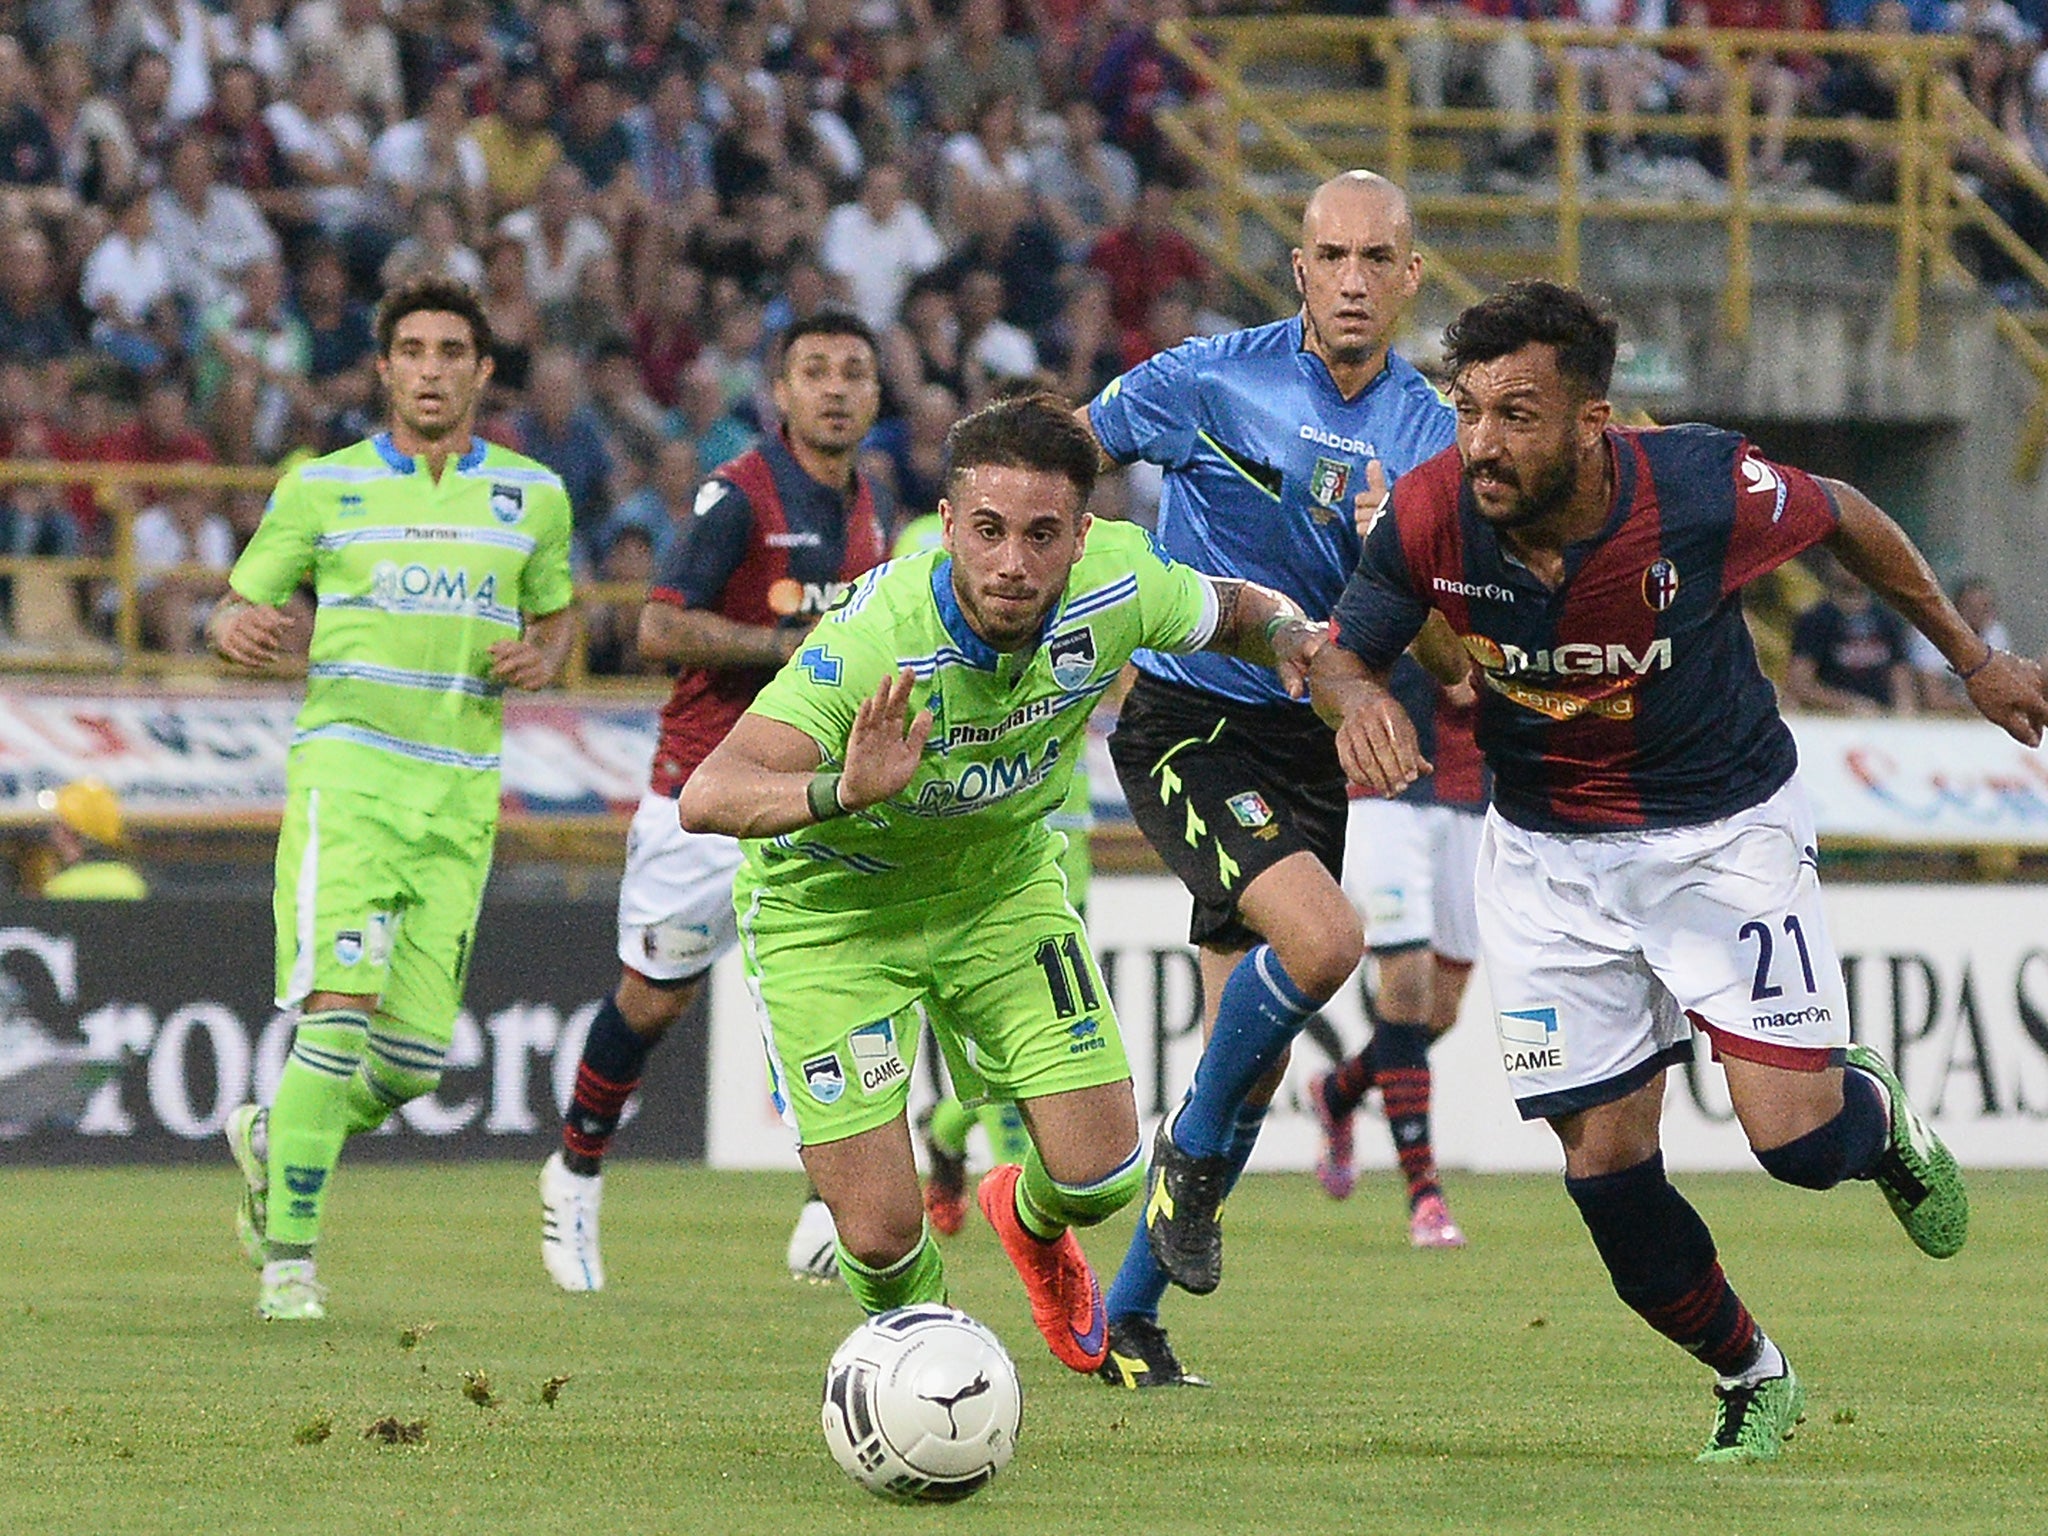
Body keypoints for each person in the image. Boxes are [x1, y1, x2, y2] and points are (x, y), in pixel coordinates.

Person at [1313, 279, 2048, 1462]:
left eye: (1515, 414)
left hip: (1719, 835)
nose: (1483, 444)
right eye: (1466, 412)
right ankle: (1749, 1375)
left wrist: (1971, 658)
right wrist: (1351, 703)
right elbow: (1343, 653)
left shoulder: (1698, 488)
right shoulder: (1428, 514)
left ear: (1591, 421)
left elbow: (1846, 512)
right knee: (1601, 1167)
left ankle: (1876, 1121)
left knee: (1799, 1148)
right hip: (1546, 860)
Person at [675, 392, 1327, 1374]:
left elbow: (1232, 610)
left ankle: (1025, 1224)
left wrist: (1287, 636)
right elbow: (709, 792)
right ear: (947, 527)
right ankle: (926, 1371)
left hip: (996, 890)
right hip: (834, 911)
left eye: (1039, 535)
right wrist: (840, 787)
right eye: (986, 531)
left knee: (1105, 1174)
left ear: (1080, 537)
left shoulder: (1121, 582)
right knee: (884, 1232)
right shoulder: (875, 640)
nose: (1011, 563)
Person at [1077, 170, 1460, 1391]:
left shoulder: (1433, 436)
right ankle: (1183, 1175)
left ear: (1409, 278)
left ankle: (1127, 1325)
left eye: (1374, 261)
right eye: (1327, 256)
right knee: (1327, 938)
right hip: (1190, 720)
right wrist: (1077, 598)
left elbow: (1442, 628)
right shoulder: (1206, 377)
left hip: (1311, 748)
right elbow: (1065, 451)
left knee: (1247, 1068)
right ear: (1296, 268)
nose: (1349, 280)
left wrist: (1458, 661)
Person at [210, 275, 578, 1322]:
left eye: (450, 350)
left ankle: (278, 1136)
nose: (429, 368)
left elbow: (553, 621)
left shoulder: (532, 495)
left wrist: (543, 656)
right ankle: (290, 1265)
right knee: (337, 1020)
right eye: (410, 349)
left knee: (412, 1061)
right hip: (351, 780)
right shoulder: (319, 487)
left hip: (461, 798)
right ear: (383, 369)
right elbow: (239, 605)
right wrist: (232, 629)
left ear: (480, 371)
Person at [539, 312, 888, 1293]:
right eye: (812, 371)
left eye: (852, 372)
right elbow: (657, 628)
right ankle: (573, 1173)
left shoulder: (868, 499)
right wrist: (785, 652)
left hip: (812, 795)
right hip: (705, 789)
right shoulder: (739, 497)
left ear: (874, 394)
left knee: (858, 983)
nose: (833, 388)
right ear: (778, 394)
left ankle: (829, 1210)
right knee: (653, 999)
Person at [1308, 654, 1485, 1247]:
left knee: (1441, 1011)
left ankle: (1339, 1091)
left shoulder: (1506, 572)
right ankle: (1425, 1195)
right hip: (1383, 790)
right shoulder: (1391, 566)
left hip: (1472, 796)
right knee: (1405, 982)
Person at [1783, 549, 1917, 715]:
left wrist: (1904, 713)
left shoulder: (1887, 620)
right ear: (1832, 565)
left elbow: (1901, 677)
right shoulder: (1816, 620)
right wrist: (1847, 703)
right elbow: (1799, 683)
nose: (1853, 568)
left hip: (1882, 722)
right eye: (1846, 560)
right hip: (1831, 722)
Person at [34, 779, 148, 899]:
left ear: (69, 834)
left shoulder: (61, 889)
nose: (53, 834)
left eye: (59, 825)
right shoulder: (132, 883)